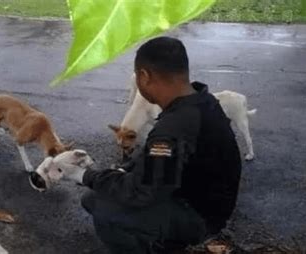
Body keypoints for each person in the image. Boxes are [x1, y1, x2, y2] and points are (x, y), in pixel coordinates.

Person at [57, 36, 242, 253]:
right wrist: (122, 169)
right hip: (208, 201)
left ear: (144, 77)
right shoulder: (202, 101)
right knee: (109, 189)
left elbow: (141, 192)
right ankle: (166, 241)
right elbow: (156, 160)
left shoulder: (174, 127)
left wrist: (82, 175)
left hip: (199, 216)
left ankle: (154, 247)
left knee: (98, 202)